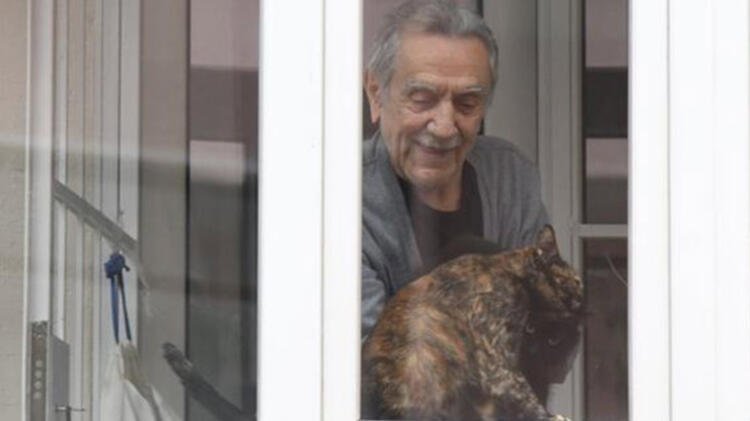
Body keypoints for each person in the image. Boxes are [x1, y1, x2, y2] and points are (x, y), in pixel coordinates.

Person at [361, 0, 550, 339]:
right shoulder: (343, 194)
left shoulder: (509, 177)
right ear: (376, 93)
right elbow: (373, 354)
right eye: (422, 98)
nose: (445, 126)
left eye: (467, 103)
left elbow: (546, 320)